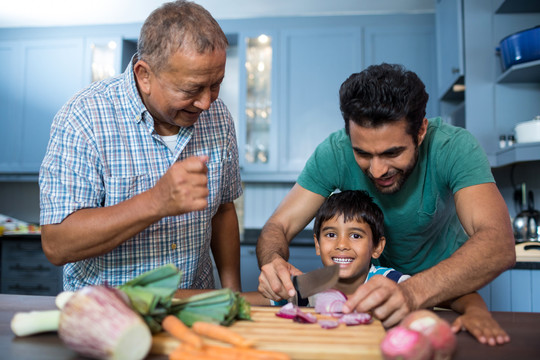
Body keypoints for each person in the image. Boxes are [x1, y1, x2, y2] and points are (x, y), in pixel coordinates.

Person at [256, 63, 516, 328]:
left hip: (449, 291)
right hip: (372, 293)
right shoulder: (334, 152)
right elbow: (278, 226)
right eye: (363, 154)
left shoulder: (455, 147)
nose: (377, 170)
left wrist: (410, 292)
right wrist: (273, 263)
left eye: (392, 153)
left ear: (421, 131)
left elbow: (498, 243)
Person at [39, 1, 242, 292]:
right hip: (109, 318)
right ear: (144, 75)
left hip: (196, 310)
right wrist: (155, 202)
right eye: (191, 89)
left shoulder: (218, 116)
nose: (206, 102)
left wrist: (231, 292)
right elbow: (57, 244)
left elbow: (223, 209)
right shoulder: (83, 117)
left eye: (216, 84)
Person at [311, 190, 509, 346]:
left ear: (377, 247)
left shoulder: (391, 283)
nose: (342, 245)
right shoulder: (309, 285)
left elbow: (456, 295)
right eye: (330, 235)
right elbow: (282, 300)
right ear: (317, 245)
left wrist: (476, 312)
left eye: (355, 235)